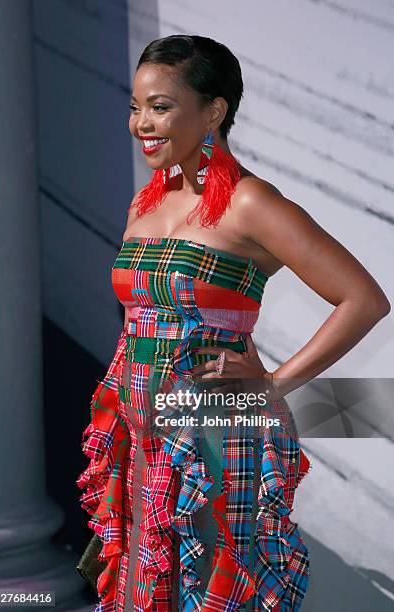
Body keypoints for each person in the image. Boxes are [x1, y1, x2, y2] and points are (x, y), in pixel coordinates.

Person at [76, 35, 391, 612]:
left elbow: (363, 299)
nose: (142, 123)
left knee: (211, 588)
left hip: (215, 427)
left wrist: (274, 383)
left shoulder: (250, 204)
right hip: (139, 428)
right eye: (135, 106)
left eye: (162, 106)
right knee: (148, 589)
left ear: (214, 111)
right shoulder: (144, 203)